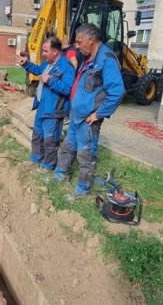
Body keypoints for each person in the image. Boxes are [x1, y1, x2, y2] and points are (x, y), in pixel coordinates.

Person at [53, 23, 125, 200]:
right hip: (76, 116)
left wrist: (98, 114)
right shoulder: (88, 56)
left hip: (88, 120)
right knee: (67, 147)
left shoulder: (106, 59)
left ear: (90, 40)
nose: (77, 46)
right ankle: (60, 175)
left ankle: (82, 189)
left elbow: (117, 91)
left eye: (79, 42)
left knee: (85, 155)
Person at [15, 36, 75, 170]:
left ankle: (48, 165)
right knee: (37, 136)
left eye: (45, 51)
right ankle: (36, 159)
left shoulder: (67, 67)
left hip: (53, 111)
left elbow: (67, 88)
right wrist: (25, 63)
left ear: (55, 51)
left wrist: (50, 80)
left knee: (50, 140)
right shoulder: (48, 64)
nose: (43, 54)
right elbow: (37, 70)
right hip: (42, 107)